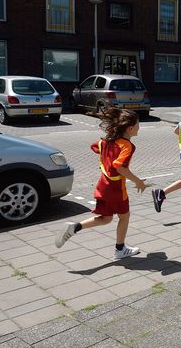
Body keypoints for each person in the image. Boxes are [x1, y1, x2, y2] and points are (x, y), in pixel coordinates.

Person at [55, 108, 146, 259]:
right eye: (138, 124)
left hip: (103, 186)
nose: (139, 127)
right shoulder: (127, 146)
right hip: (116, 188)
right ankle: (120, 249)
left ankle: (75, 227)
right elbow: (119, 166)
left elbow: (95, 146)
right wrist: (138, 182)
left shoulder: (106, 142)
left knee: (106, 218)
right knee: (124, 216)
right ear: (130, 128)